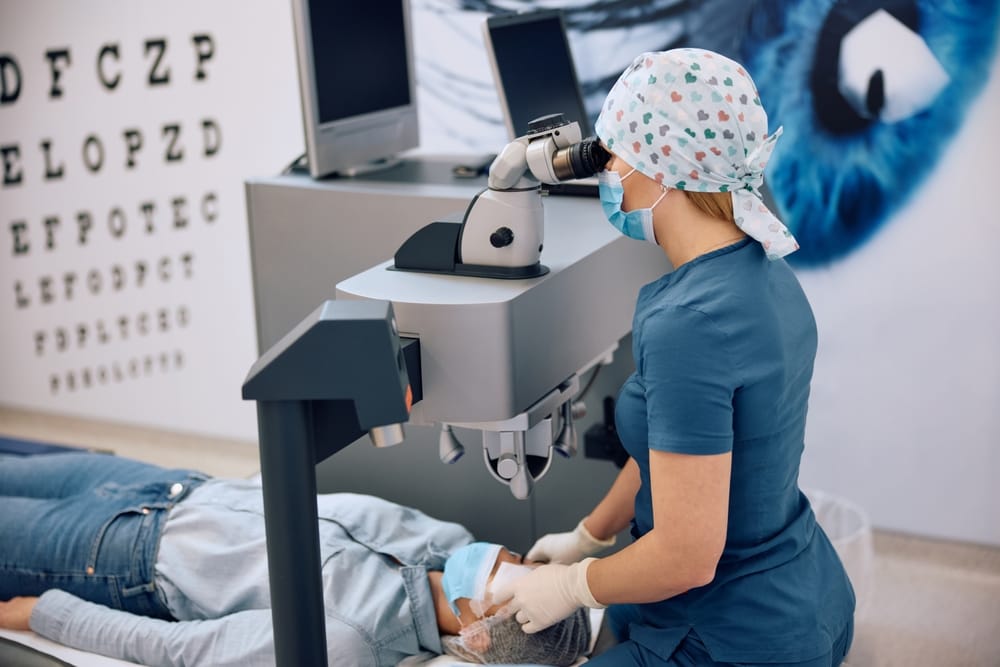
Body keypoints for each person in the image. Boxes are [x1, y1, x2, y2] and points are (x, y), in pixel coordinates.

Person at [491, 48, 856, 666]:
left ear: (662, 168)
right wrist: (589, 536)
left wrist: (571, 585)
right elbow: (683, 455)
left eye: (615, 155)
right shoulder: (765, 268)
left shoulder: (689, 322)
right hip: (805, 595)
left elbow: (686, 557)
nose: (609, 173)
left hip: (735, 638)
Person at [0, 452, 590, 667]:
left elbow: (179, 649)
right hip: (175, 486)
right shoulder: (445, 540)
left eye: (517, 577)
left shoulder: (350, 642)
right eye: (528, 562)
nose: (513, 557)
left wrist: (46, 615)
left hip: (113, 555)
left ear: (478, 632)